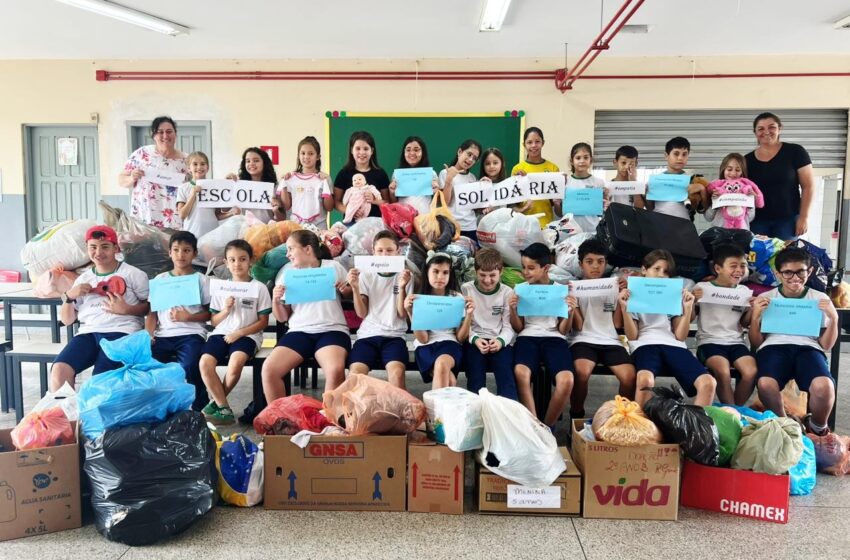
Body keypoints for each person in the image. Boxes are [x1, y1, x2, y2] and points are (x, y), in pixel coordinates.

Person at [749, 246, 838, 436]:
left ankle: (817, 427)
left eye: (800, 272)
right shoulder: (766, 298)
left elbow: (826, 345)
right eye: (788, 272)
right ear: (777, 273)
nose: (795, 278)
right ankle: (786, 425)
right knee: (765, 384)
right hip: (773, 347)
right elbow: (756, 342)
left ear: (810, 271)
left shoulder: (819, 298)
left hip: (809, 348)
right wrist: (755, 317)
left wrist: (834, 318)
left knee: (825, 386)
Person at [49, 225, 150, 391]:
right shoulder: (83, 279)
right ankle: (67, 416)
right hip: (88, 334)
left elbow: (149, 308)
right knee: (59, 370)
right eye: (93, 247)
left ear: (116, 248)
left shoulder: (134, 274)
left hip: (121, 332)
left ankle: (95, 415)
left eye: (105, 247)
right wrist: (68, 296)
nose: (98, 252)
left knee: (100, 383)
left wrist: (127, 310)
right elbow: (67, 320)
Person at [619, 249, 717, 408]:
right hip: (644, 344)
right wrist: (625, 309)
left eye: (666, 272)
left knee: (708, 382)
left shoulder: (673, 295)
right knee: (645, 380)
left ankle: (697, 429)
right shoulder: (633, 294)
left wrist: (687, 309)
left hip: (673, 345)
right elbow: (633, 336)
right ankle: (642, 429)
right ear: (644, 270)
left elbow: (680, 336)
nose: (660, 275)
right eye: (656, 269)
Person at [262, 230, 351, 402]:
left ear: (307, 249)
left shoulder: (332, 267)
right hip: (299, 331)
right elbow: (282, 318)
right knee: (269, 370)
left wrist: (345, 289)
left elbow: (349, 294)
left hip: (332, 330)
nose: (287, 254)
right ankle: (280, 421)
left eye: (291, 249)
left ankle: (329, 422)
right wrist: (276, 300)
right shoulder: (287, 273)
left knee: (335, 370)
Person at [199, 240, 271, 425]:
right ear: (226, 262)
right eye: (232, 260)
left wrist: (239, 333)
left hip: (248, 335)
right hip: (221, 333)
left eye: (242, 259)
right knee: (205, 363)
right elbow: (214, 321)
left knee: (235, 363)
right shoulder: (221, 288)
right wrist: (225, 310)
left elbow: (263, 322)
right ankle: (224, 407)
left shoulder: (259, 288)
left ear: (250, 261)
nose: (237, 264)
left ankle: (215, 404)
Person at [510, 243, 576, 427]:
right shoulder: (521, 289)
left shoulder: (559, 290)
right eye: (523, 267)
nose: (525, 272)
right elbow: (518, 328)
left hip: (555, 339)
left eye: (531, 268)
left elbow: (563, 330)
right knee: (520, 372)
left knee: (567, 380)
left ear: (545, 268)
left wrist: (570, 312)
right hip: (526, 338)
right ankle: (533, 427)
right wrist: (513, 310)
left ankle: (548, 427)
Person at [569, 239, 636, 417]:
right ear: (580, 264)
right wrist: (572, 303)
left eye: (600, 261)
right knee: (581, 372)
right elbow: (578, 326)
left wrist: (622, 300)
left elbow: (617, 325)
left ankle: (621, 418)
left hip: (610, 340)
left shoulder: (613, 287)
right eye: (589, 262)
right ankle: (576, 414)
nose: (595, 267)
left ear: (606, 263)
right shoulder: (573, 287)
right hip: (582, 339)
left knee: (629, 376)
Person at [146, 231, 211, 411]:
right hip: (163, 335)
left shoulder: (202, 280)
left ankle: (200, 407)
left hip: (191, 335)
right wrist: (148, 335)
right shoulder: (160, 280)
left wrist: (189, 317)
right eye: (176, 250)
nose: (180, 255)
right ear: (169, 253)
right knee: (149, 365)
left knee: (190, 365)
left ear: (194, 254)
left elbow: (210, 314)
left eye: (186, 250)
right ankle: (157, 408)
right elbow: (152, 314)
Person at [692, 244, 757, 405]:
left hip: (736, 342)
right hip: (708, 342)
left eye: (743, 266)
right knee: (723, 371)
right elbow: (691, 318)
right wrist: (693, 301)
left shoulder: (743, 291)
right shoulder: (702, 288)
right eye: (733, 266)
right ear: (718, 268)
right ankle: (732, 412)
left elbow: (744, 323)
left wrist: (753, 309)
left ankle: (735, 409)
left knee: (751, 371)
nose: (739, 270)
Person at [348, 230, 413, 389]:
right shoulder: (366, 275)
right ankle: (355, 413)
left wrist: (401, 287)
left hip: (394, 336)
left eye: (390, 250)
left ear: (398, 251)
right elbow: (361, 313)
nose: (385, 254)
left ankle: (396, 412)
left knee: (397, 373)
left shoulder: (405, 276)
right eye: (380, 250)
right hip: (367, 335)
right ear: (373, 252)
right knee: (355, 374)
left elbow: (401, 313)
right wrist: (355, 288)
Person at [404, 252, 473, 390]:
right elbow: (423, 339)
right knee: (451, 381)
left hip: (450, 344)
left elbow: (460, 337)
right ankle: (440, 411)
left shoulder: (456, 297)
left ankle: (433, 412)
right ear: (427, 272)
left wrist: (469, 315)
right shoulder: (419, 299)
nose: (440, 277)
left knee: (442, 364)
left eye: (445, 272)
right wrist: (410, 311)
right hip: (426, 347)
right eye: (435, 271)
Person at [746, 112, 815, 240]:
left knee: (786, 258)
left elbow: (808, 186)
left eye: (771, 127)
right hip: (756, 222)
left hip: (788, 221)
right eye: (761, 128)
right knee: (758, 259)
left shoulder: (795, 151)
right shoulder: (746, 160)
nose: (766, 132)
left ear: (780, 128)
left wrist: (803, 217)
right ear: (755, 132)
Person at [461, 248, 518, 399]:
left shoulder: (507, 292)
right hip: (475, 340)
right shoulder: (466, 289)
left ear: (501, 272)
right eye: (482, 275)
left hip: (499, 340)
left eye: (492, 275)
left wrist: (500, 341)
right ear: (475, 272)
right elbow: (465, 324)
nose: (487, 280)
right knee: (475, 377)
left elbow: (508, 326)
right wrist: (475, 339)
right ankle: (477, 415)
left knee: (506, 374)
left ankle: (507, 414)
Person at [119, 116, 188, 229]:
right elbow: (121, 180)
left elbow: (196, 184)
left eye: (169, 131)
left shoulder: (186, 160)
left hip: (174, 221)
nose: (165, 136)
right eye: (160, 132)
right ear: (154, 135)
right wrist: (132, 178)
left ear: (175, 134)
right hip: (145, 218)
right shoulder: (142, 154)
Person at [644, 137, 709, 220]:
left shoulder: (692, 180)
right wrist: (647, 194)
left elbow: (703, 210)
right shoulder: (656, 180)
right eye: (676, 154)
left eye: (684, 154)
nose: (680, 158)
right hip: (660, 226)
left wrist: (702, 189)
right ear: (666, 156)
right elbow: (650, 208)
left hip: (683, 228)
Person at [333, 131, 390, 219]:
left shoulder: (380, 173)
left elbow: (387, 202)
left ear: (372, 151)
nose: (362, 152)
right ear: (352, 150)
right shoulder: (344, 173)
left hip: (375, 224)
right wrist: (350, 211)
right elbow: (336, 202)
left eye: (366, 149)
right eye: (358, 148)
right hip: (352, 225)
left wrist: (375, 200)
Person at [511, 127, 560, 227]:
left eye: (537, 141)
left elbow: (558, 209)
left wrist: (557, 201)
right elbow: (512, 205)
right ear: (524, 144)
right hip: (523, 225)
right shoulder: (517, 169)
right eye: (529, 142)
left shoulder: (553, 168)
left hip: (547, 224)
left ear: (543, 143)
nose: (533, 145)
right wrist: (523, 209)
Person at [280, 136, 333, 227]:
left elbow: (329, 207)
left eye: (311, 153)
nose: (306, 157)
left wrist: (326, 184)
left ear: (318, 157)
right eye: (303, 153)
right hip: (295, 227)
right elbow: (286, 206)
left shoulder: (324, 178)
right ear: (298, 155)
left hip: (319, 227)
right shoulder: (290, 178)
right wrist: (283, 184)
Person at [705, 153, 764, 231]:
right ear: (723, 169)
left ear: (742, 172)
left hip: (741, 235)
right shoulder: (715, 189)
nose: (733, 173)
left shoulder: (746, 189)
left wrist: (750, 203)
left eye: (737, 170)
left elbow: (749, 218)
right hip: (719, 235)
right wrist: (714, 203)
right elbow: (708, 217)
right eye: (729, 169)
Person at [440, 139, 482, 241]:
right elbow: (445, 202)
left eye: (474, 158)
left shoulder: (472, 178)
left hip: (470, 227)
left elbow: (475, 206)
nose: (470, 159)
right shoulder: (445, 173)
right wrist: (449, 180)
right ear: (459, 152)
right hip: (451, 226)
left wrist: (483, 186)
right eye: (469, 154)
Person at [177, 151, 225, 239]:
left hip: (212, 234)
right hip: (191, 234)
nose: (199, 167)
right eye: (195, 164)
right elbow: (182, 215)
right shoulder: (183, 188)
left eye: (203, 164)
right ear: (188, 168)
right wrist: (192, 196)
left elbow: (217, 215)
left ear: (207, 168)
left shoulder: (215, 187)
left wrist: (231, 213)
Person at [388, 136, 439, 216]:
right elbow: (393, 202)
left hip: (424, 219)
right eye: (408, 150)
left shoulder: (431, 174)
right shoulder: (396, 175)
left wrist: (436, 191)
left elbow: (437, 201)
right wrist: (391, 193)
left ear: (423, 152)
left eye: (416, 150)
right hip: (404, 219)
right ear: (404, 153)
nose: (412, 153)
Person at [564, 142, 609, 233]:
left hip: (592, 229)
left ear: (591, 160)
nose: (582, 161)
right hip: (569, 231)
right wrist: (557, 203)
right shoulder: (565, 182)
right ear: (572, 161)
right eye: (578, 158)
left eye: (586, 157)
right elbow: (560, 211)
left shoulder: (599, 182)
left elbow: (601, 211)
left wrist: (606, 200)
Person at [225, 147, 277, 223]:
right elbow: (224, 209)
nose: (251, 163)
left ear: (264, 163)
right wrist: (227, 185)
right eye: (248, 161)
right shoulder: (239, 184)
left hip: (267, 230)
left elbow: (281, 216)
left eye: (256, 161)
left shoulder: (275, 186)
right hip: (245, 230)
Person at [479, 147, 507, 215]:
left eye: (495, 163)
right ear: (483, 166)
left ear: (502, 163)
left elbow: (512, 208)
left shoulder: (508, 184)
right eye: (487, 163)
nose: (491, 166)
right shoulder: (478, 185)